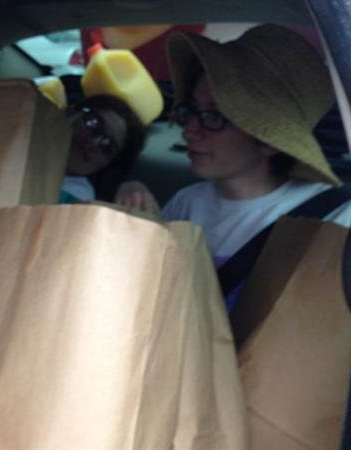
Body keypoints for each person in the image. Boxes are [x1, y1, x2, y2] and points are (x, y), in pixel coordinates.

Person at [116, 24, 351, 309]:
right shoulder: (186, 204)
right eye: (192, 110)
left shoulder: (336, 219)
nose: (189, 131)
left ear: (268, 141)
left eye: (214, 115)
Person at [60, 94, 147, 203]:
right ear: (71, 111)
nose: (93, 142)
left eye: (107, 147)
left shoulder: (78, 196)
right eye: (93, 124)